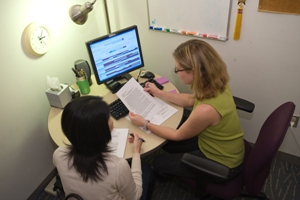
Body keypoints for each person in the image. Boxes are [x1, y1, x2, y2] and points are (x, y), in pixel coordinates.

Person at [129, 39, 244, 184]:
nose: (176, 72)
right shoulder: (217, 84)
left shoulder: (205, 110)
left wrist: (144, 123)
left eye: (178, 69)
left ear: (193, 72)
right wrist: (159, 93)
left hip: (222, 162)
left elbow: (177, 135)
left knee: (158, 162)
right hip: (217, 144)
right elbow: (191, 100)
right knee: (167, 142)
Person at [53, 96, 153, 200]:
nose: (112, 121)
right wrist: (136, 152)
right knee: (146, 169)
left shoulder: (58, 154)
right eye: (108, 117)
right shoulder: (118, 167)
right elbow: (135, 196)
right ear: (100, 132)